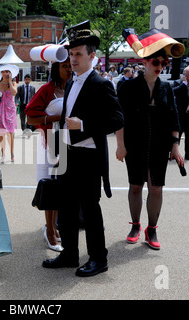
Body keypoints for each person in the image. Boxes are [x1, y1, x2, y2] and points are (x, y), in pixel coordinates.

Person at [42, 20, 124, 277]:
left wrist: (84, 124)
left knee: (89, 208)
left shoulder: (101, 84)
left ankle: (99, 259)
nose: (73, 59)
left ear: (92, 56)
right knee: (66, 207)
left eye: (78, 54)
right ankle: (69, 254)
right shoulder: (71, 82)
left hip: (89, 156)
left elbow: (117, 119)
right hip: (68, 153)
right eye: (71, 54)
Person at [116, 28, 185, 250]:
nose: (159, 67)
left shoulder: (167, 88)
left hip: (158, 145)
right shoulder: (128, 87)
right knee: (135, 186)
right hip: (134, 144)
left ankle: (152, 229)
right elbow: (120, 118)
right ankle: (135, 225)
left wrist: (175, 145)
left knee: (156, 188)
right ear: (144, 62)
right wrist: (120, 145)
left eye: (163, 64)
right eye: (156, 62)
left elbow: (174, 117)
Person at [26, 56, 72, 252]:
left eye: (70, 66)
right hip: (52, 142)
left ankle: (54, 226)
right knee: (51, 187)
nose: (69, 69)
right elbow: (30, 117)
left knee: (62, 188)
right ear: (56, 68)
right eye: (65, 66)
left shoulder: (72, 87)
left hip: (70, 143)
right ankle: (51, 232)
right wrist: (54, 117)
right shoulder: (47, 90)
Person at [0, 64, 19, 163]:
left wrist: (10, 82)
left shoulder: (14, 83)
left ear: (10, 73)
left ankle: (12, 153)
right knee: (1, 132)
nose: (5, 73)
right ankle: (3, 153)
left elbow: (13, 93)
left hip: (10, 109)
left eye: (7, 72)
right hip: (0, 108)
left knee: (10, 132)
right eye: (3, 72)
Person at [173, 66, 189, 160]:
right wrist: (183, 84)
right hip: (180, 114)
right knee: (177, 136)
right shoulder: (178, 83)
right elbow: (173, 92)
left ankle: (188, 155)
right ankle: (175, 153)